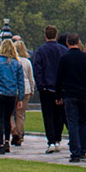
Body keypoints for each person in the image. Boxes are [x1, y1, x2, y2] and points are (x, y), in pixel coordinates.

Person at [59, 32, 86, 162]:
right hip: (85, 94)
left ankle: (75, 151)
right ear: (78, 42)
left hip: (70, 94)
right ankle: (83, 149)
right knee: (82, 121)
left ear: (67, 43)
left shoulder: (64, 58)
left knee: (72, 122)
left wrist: (58, 95)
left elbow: (59, 79)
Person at [31, 26, 69, 154]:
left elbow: (37, 69)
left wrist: (41, 85)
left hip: (46, 87)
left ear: (45, 35)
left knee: (48, 116)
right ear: (56, 35)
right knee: (59, 115)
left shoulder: (40, 51)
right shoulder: (63, 50)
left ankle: (51, 141)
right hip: (60, 88)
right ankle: (57, 139)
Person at [11, 37, 36, 146]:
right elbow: (31, 78)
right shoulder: (27, 62)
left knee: (11, 114)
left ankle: (14, 130)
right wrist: (32, 89)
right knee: (20, 114)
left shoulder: (12, 61)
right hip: (26, 89)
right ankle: (20, 135)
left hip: (14, 89)